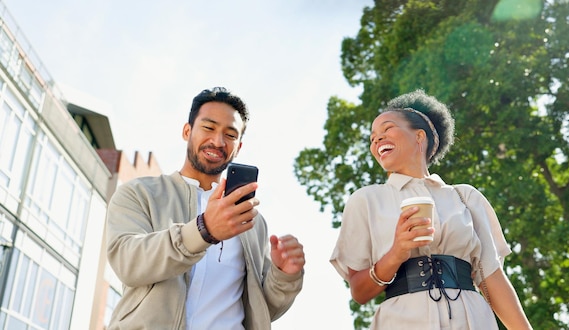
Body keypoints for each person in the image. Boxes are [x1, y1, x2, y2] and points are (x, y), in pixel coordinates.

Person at [330, 89, 532, 329]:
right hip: (402, 322)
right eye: (373, 137)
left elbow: (492, 277)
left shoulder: (465, 197)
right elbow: (359, 292)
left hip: (472, 320)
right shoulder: (365, 200)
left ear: (419, 136)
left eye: (387, 129)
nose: (377, 140)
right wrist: (396, 252)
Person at [106, 87, 305, 330]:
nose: (218, 141)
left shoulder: (252, 221)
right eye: (208, 128)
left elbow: (261, 309)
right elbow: (128, 263)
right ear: (187, 131)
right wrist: (204, 230)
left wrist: (285, 276)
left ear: (239, 147)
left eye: (230, 135)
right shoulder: (139, 193)